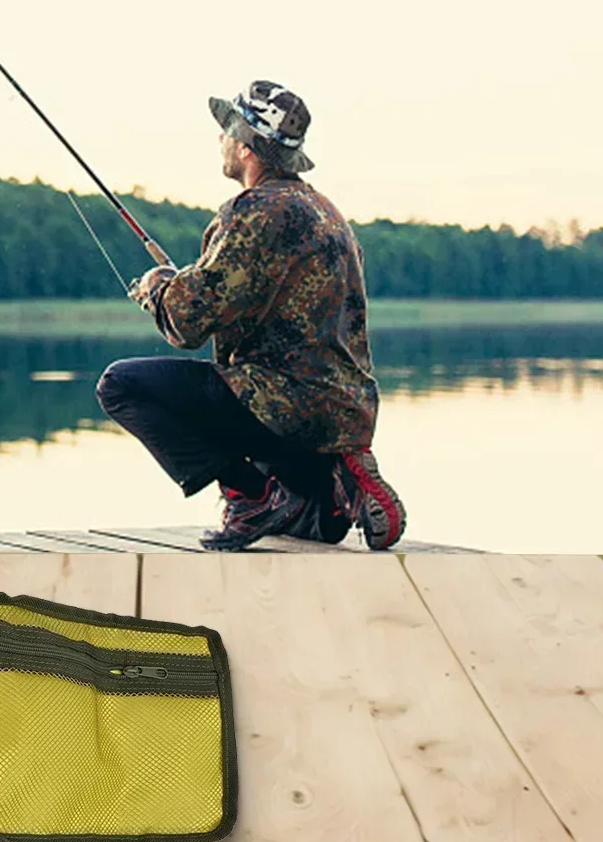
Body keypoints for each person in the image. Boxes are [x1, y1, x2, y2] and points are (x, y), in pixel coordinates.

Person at [96, 80, 406, 550]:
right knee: (319, 526)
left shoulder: (256, 209)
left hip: (281, 404)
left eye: (225, 132)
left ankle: (251, 495)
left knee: (120, 385)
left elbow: (189, 322)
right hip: (345, 416)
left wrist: (158, 288)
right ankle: (334, 478)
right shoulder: (326, 211)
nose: (219, 141)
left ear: (244, 148)